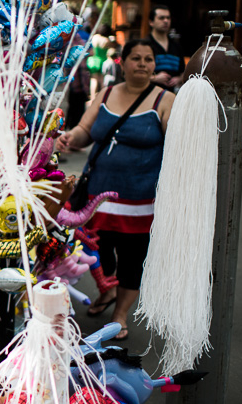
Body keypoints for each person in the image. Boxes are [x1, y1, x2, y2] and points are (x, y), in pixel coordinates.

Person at [56, 40, 175, 341]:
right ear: (122, 62)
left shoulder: (165, 99)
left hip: (141, 201)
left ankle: (120, 313)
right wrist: (71, 137)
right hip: (96, 198)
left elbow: (178, 149)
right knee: (96, 252)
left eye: (149, 59)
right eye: (136, 58)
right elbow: (85, 131)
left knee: (133, 259)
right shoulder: (106, 94)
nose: (143, 64)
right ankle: (106, 291)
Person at [144, 5, 185, 91]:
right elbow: (134, 74)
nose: (166, 21)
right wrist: (154, 78)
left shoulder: (176, 46)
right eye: (161, 18)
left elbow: (183, 72)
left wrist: (179, 79)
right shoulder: (144, 45)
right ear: (151, 22)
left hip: (172, 97)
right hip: (149, 95)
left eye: (168, 18)